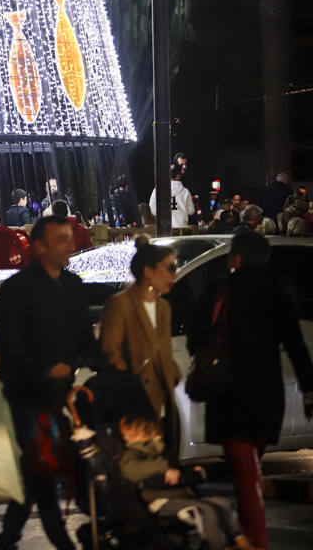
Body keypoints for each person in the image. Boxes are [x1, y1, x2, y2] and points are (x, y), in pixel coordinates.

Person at [189, 229, 313, 548]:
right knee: (249, 472)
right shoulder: (277, 294)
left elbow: (196, 338)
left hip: (230, 398)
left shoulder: (220, 291)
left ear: (237, 257)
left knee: (246, 478)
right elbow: (296, 347)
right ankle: (247, 536)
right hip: (267, 399)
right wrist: (309, 389)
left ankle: (256, 539)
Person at [0, 215, 98, 550]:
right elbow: (5, 344)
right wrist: (43, 368)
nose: (70, 246)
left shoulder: (73, 286)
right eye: (61, 240)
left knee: (38, 470)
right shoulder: (16, 289)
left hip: (61, 395)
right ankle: (56, 541)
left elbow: (84, 338)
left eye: (70, 238)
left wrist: (99, 359)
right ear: (39, 247)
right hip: (26, 395)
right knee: (42, 467)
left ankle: (8, 539)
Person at [118, 415, 248, 550]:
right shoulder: (134, 453)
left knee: (224, 503)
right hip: (161, 501)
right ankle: (219, 546)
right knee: (205, 509)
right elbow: (131, 469)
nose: (157, 436)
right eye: (152, 433)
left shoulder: (159, 451)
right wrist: (165, 467)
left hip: (180, 496)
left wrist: (186, 469)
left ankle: (241, 541)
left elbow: (175, 464)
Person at [99, 238, 180, 446]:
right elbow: (110, 352)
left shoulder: (164, 307)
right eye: (169, 268)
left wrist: (173, 374)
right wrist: (132, 390)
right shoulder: (120, 304)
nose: (174, 274)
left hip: (162, 401)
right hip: (132, 406)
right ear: (148, 271)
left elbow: (163, 351)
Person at [149, 165, 195, 229]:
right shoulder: (185, 191)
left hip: (163, 227)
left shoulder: (158, 189)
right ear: (179, 175)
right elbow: (191, 211)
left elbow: (152, 208)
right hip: (181, 227)